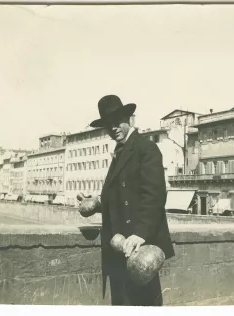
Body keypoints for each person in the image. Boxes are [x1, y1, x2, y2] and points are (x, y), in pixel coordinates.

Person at [85, 95, 175, 306]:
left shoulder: (146, 149)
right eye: (108, 124)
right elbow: (118, 196)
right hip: (119, 249)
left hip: (138, 250)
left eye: (117, 121)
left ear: (129, 119)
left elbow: (155, 195)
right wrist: (97, 201)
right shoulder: (120, 152)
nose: (113, 127)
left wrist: (140, 233)